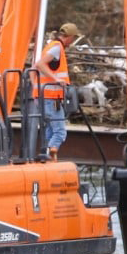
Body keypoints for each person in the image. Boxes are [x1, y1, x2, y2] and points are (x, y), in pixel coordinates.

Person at [34, 21, 80, 158]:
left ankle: (46, 156)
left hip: (44, 96)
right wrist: (56, 80)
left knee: (49, 130)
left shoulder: (52, 46)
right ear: (70, 37)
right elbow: (40, 64)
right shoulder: (56, 48)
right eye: (73, 38)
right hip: (50, 97)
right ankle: (50, 154)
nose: (72, 42)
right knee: (60, 132)